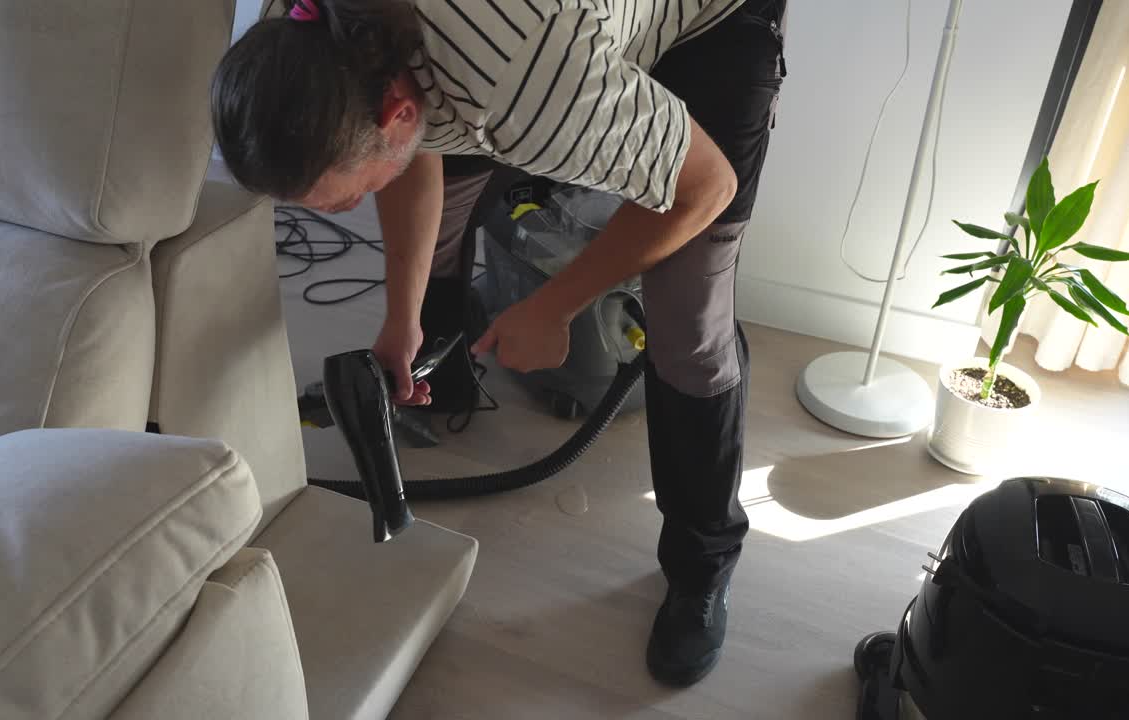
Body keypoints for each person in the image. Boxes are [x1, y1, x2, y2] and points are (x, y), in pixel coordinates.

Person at [212, 0, 787, 687]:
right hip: (518, 45)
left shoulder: (519, 86)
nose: (334, 214)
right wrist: (403, 318)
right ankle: (442, 372)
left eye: (338, 203)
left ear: (393, 111)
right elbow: (413, 147)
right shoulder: (298, 32)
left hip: (710, 22)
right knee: (447, 209)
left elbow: (706, 186)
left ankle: (703, 566)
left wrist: (554, 306)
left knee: (688, 322)